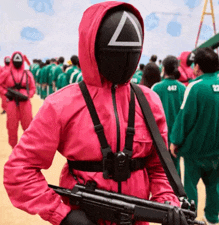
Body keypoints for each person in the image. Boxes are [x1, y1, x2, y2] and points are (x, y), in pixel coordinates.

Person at [4, 2, 184, 225]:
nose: (124, 61)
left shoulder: (149, 102)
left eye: (131, 54)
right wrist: (64, 215)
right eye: (115, 54)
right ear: (92, 49)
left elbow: (158, 169)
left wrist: (167, 201)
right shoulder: (61, 105)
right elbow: (18, 171)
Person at [170, 47, 219, 225]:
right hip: (217, 150)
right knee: (214, 186)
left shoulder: (196, 87)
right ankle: (213, 218)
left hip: (195, 151)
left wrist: (175, 141)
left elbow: (185, 117)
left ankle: (190, 219)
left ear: (198, 66)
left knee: (190, 187)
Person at [151, 55, 186, 176]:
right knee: (176, 170)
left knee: (160, 171)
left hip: (161, 137)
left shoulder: (156, 88)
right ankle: (178, 194)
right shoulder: (183, 88)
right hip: (177, 138)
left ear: (164, 68)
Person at [0, 51, 36, 148]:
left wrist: (28, 95)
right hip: (11, 102)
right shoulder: (6, 73)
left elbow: (33, 88)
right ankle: (14, 148)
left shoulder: (27, 73)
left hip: (25, 103)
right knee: (11, 127)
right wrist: (5, 92)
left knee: (28, 126)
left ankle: (28, 147)